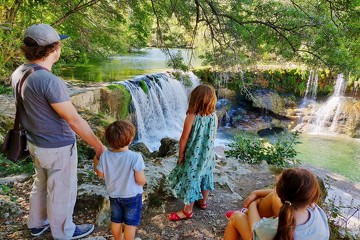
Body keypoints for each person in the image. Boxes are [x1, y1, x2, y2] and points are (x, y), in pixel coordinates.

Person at [11, 24, 107, 239]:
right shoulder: (48, 80)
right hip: (57, 146)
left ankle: (36, 223)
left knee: (41, 183)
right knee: (62, 189)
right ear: (53, 49)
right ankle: (64, 232)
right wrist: (98, 146)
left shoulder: (19, 72)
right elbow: (73, 119)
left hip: (35, 143)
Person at [224, 168, 330, 240]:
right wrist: (256, 193)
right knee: (272, 197)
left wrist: (253, 203)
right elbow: (276, 194)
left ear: (280, 192)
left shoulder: (270, 229)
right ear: (313, 197)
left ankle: (245, 214)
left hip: (262, 233)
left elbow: (255, 228)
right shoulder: (319, 213)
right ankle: (246, 214)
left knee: (235, 217)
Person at [167, 84, 218, 221]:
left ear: (194, 100)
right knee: (205, 175)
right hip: (207, 155)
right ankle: (202, 202)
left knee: (192, 179)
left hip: (193, 156)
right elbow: (213, 137)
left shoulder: (191, 117)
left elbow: (184, 138)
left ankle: (187, 211)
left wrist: (181, 154)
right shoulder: (214, 116)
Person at [94, 120, 146, 240]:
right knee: (130, 223)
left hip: (114, 196)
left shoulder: (105, 156)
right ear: (131, 139)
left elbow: (100, 174)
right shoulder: (135, 157)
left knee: (116, 220)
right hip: (132, 197)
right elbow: (140, 180)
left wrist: (96, 159)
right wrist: (144, 181)